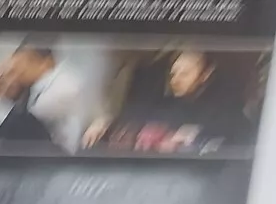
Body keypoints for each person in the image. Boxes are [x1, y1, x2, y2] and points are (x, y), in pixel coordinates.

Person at [83, 49, 250, 153]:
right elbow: (134, 117)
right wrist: (105, 122)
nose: (176, 80)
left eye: (185, 74)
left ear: (205, 74)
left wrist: (191, 136)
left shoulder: (225, 113)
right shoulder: (165, 105)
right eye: (173, 74)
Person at [0, 42, 84, 152]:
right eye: (13, 70)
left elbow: (31, 123)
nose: (18, 73)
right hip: (34, 149)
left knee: (5, 122)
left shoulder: (63, 85)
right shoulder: (30, 87)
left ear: (44, 63)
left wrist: (0, 96)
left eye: (20, 66)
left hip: (54, 154)